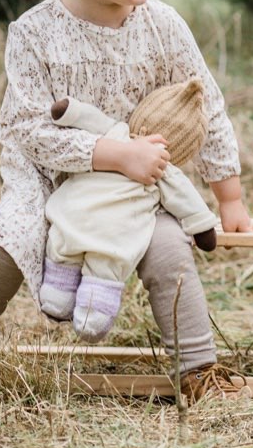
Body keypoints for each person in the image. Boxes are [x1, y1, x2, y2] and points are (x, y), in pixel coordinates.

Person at [0, 0, 252, 401]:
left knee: (169, 250)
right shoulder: (34, 34)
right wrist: (107, 153)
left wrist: (227, 194)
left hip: (138, 189)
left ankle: (199, 370)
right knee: (2, 243)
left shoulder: (163, 26)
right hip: (49, 180)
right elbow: (25, 128)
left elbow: (206, 105)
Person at [40, 80, 219, 342]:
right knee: (107, 265)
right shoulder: (162, 170)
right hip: (114, 235)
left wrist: (68, 110)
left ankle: (58, 298)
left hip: (74, 216)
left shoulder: (119, 135)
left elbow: (87, 117)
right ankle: (91, 313)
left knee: (67, 249)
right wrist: (204, 230)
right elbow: (189, 204)